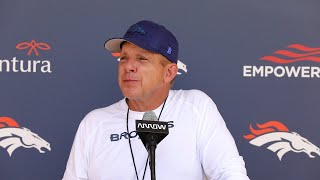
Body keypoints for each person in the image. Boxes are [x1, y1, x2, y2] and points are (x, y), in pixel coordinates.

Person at [62, 20, 250, 180]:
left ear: (169, 72)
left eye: (142, 59)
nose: (128, 66)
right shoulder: (94, 123)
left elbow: (230, 172)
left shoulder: (195, 107)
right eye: (123, 58)